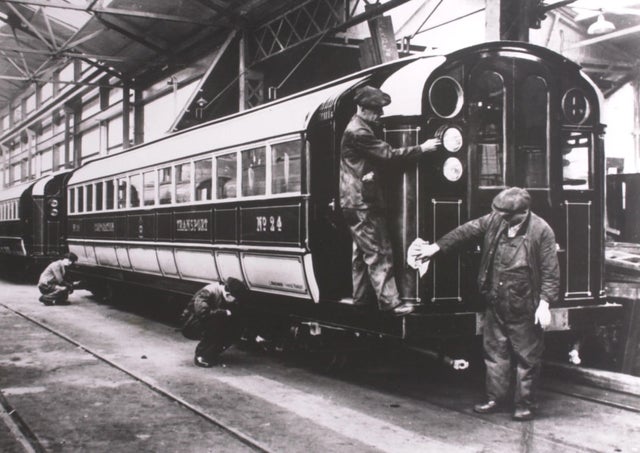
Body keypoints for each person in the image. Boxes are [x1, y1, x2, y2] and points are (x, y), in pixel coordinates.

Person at [408, 187, 559, 421]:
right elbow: (465, 232)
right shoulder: (497, 219)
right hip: (495, 299)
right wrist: (434, 248)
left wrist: (545, 302)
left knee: (527, 356)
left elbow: (550, 270)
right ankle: (495, 399)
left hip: (523, 303)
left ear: (521, 213)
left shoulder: (542, 230)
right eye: (496, 213)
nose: (498, 218)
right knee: (495, 352)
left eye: (504, 215)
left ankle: (524, 405)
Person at [340, 85, 441, 316]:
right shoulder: (359, 132)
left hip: (354, 200)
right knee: (379, 251)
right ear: (363, 109)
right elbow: (388, 155)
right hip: (362, 202)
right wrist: (422, 149)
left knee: (361, 253)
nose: (380, 115)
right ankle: (391, 303)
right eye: (376, 111)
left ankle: (361, 299)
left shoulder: (359, 127)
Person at [180, 278, 249, 368]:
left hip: (204, 320)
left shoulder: (226, 295)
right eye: (235, 299)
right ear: (228, 295)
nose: (235, 301)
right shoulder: (208, 292)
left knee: (234, 325)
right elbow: (202, 312)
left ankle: (211, 353)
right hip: (191, 323)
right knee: (216, 322)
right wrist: (224, 312)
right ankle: (200, 356)